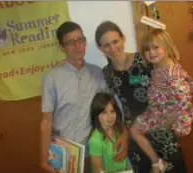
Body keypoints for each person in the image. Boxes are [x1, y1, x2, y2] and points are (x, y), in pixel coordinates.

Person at [95, 21, 190, 173]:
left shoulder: (144, 59)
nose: (112, 48)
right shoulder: (107, 73)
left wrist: (173, 117)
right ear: (100, 48)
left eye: (115, 41)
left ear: (123, 39)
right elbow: (113, 106)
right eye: (106, 45)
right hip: (136, 136)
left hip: (161, 128)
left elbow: (172, 78)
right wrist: (120, 132)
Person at [40, 21, 128, 173]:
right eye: (70, 42)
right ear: (62, 47)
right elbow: (46, 121)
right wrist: (43, 158)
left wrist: (124, 134)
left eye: (80, 40)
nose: (77, 46)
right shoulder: (51, 78)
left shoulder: (97, 73)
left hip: (96, 150)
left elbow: (114, 107)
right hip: (65, 154)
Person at [130, 28, 193, 173]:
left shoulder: (172, 72)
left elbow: (184, 100)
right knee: (134, 130)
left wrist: (172, 122)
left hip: (165, 114)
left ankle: (157, 164)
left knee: (135, 130)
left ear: (167, 46)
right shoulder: (157, 66)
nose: (151, 52)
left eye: (156, 47)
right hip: (157, 110)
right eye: (147, 49)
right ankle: (157, 162)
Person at [88, 92, 130, 173]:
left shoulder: (117, 128)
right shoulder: (95, 141)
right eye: (104, 112)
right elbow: (98, 170)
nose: (110, 117)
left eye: (112, 111)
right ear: (96, 115)